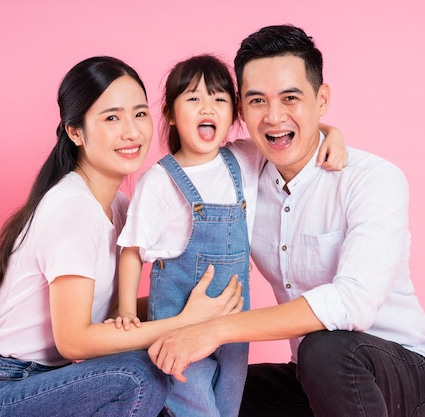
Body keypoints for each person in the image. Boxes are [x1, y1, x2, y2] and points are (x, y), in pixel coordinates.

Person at [148, 25, 425, 417]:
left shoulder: (373, 179)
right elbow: (192, 152)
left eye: (291, 97)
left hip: (402, 375)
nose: (273, 117)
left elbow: (352, 303)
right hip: (311, 377)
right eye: (257, 101)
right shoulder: (239, 174)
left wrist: (214, 330)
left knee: (325, 347)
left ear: (322, 98)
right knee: (182, 387)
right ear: (241, 109)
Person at [0, 56, 246, 417]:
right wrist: (183, 322)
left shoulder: (118, 206)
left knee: (164, 365)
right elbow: (74, 340)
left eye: (138, 114)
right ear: (76, 132)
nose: (132, 132)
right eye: (111, 118)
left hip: (52, 385)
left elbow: (111, 318)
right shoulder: (72, 207)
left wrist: (200, 307)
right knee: (140, 375)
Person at [112, 54, 347, 417]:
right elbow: (131, 249)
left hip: (234, 331)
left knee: (228, 409)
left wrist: (333, 134)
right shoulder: (159, 181)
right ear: (171, 113)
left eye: (219, 99)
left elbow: (291, 136)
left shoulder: (242, 159)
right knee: (195, 410)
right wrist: (127, 311)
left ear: (234, 113)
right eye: (193, 99)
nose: (208, 107)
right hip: (179, 324)